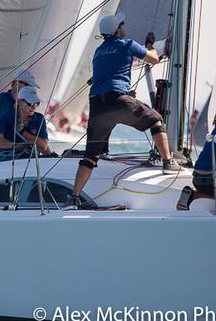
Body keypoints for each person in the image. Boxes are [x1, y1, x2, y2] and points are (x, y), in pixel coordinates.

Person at [66, 13, 183, 210]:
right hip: (118, 100)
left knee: (90, 156)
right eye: (123, 24)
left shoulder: (98, 51)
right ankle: (168, 162)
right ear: (118, 29)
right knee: (156, 120)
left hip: (97, 104)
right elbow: (153, 59)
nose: (125, 26)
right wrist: (150, 46)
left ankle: (74, 199)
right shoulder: (127, 44)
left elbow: (108, 73)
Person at [0, 86, 54, 159]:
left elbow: (44, 146)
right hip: (8, 160)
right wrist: (15, 146)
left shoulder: (39, 118)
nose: (34, 107)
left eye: (36, 103)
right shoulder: (6, 116)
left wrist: (22, 132)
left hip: (33, 160)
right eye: (30, 103)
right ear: (20, 101)